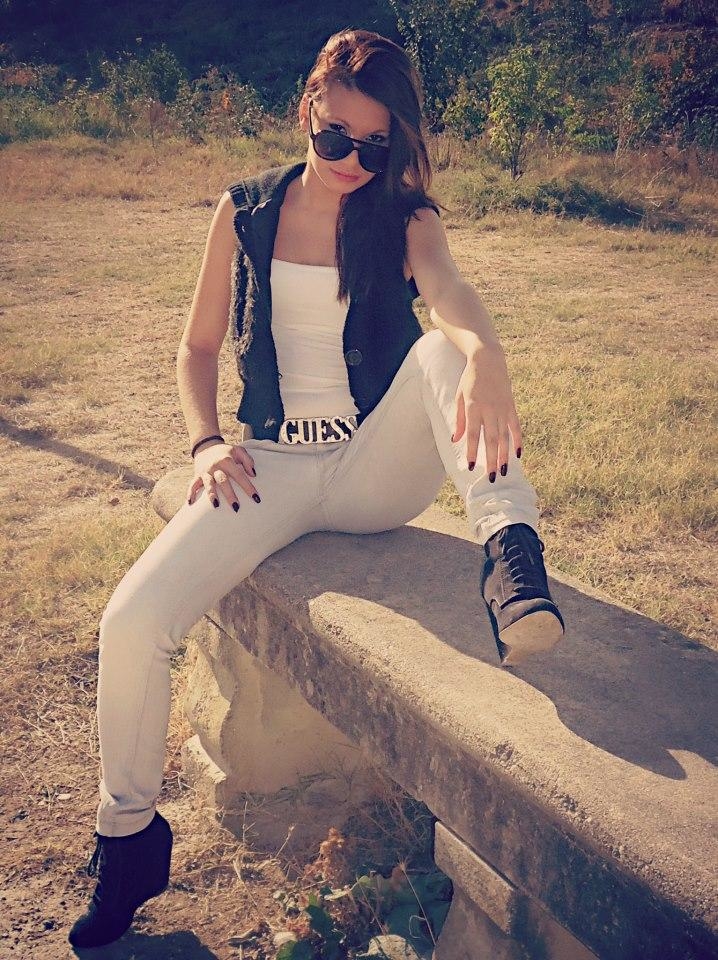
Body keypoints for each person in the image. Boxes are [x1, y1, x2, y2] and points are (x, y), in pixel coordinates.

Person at [68, 27, 565, 949]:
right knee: (131, 620)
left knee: (439, 354)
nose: (350, 161)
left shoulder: (404, 218)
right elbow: (197, 347)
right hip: (272, 467)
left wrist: (486, 352)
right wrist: (206, 443)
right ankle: (127, 840)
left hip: (374, 470)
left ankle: (511, 554)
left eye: (373, 147)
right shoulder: (245, 211)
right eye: (334, 136)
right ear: (307, 108)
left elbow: (448, 293)